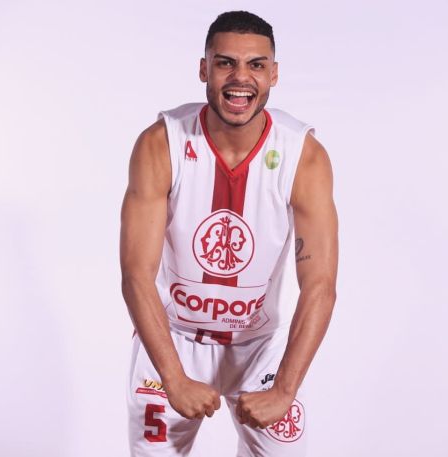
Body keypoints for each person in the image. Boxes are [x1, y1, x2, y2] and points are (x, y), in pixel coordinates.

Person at [120, 10, 338, 457]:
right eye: (225, 63)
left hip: (260, 345)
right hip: (173, 337)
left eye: (256, 64)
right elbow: (136, 275)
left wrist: (284, 389)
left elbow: (320, 285)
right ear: (204, 69)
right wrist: (173, 377)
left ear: (273, 74)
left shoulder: (303, 155)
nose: (241, 78)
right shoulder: (161, 143)